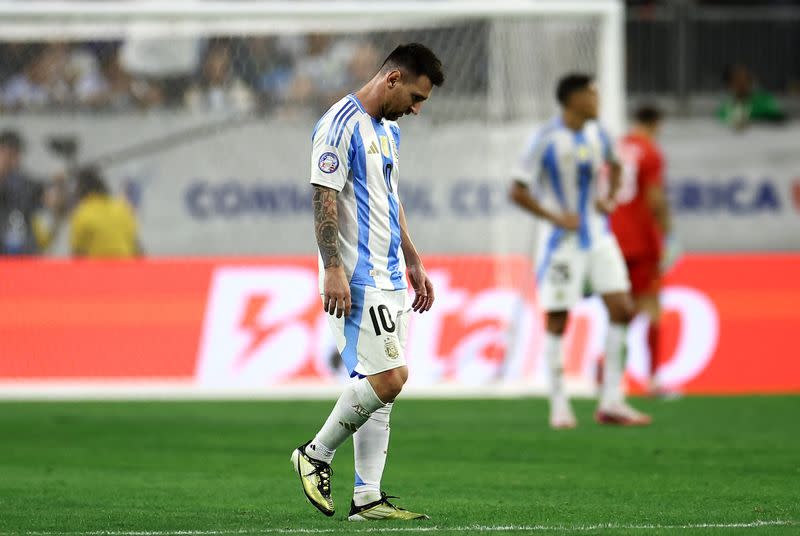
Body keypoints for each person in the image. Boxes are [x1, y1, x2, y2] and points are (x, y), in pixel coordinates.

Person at [291, 43, 444, 521]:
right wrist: (333, 267)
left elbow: (388, 197)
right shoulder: (339, 124)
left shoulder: (389, 131)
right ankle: (315, 454)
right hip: (357, 277)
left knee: (378, 388)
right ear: (393, 79)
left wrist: (412, 255)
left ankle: (367, 499)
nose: (417, 110)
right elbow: (324, 198)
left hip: (391, 273)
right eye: (416, 97)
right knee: (389, 378)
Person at [509, 73, 651, 430]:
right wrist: (555, 216)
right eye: (591, 94)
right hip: (561, 244)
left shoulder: (599, 134)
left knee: (622, 309)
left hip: (599, 237)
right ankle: (559, 404)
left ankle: (612, 402)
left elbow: (617, 166)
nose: (597, 100)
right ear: (573, 99)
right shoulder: (545, 139)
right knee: (558, 320)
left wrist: (610, 197)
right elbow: (517, 190)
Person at [609, 105, 673, 396]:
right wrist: (668, 233)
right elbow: (655, 196)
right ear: (655, 123)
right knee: (652, 307)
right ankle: (654, 379)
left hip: (613, 239)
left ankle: (603, 365)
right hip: (641, 240)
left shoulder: (616, 148)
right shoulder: (650, 152)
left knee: (626, 307)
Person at [0, 130, 60, 255]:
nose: (14, 159)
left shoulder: (24, 182)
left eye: (16, 154)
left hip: (23, 254)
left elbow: (48, 199)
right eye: (9, 153)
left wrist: (55, 189)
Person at [70, 166, 141, 258]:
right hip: (127, 269)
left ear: (80, 190)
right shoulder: (122, 208)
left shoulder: (82, 214)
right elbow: (135, 246)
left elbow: (77, 254)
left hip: (99, 270)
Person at [717, 64, 786, 129]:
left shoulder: (763, 100)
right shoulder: (725, 107)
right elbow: (721, 120)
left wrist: (750, 120)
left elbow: (777, 116)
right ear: (729, 85)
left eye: (745, 79)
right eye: (737, 80)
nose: (741, 84)